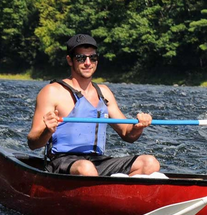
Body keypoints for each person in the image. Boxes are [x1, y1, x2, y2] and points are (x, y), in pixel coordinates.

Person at [27, 34, 160, 176]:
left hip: (97, 161)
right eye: (81, 58)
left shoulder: (104, 92)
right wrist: (47, 130)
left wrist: (138, 127)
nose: (88, 63)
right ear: (70, 60)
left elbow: (128, 134)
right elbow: (33, 143)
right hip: (62, 161)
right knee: (86, 168)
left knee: (150, 163)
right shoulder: (52, 91)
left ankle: (120, 194)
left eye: (93, 58)